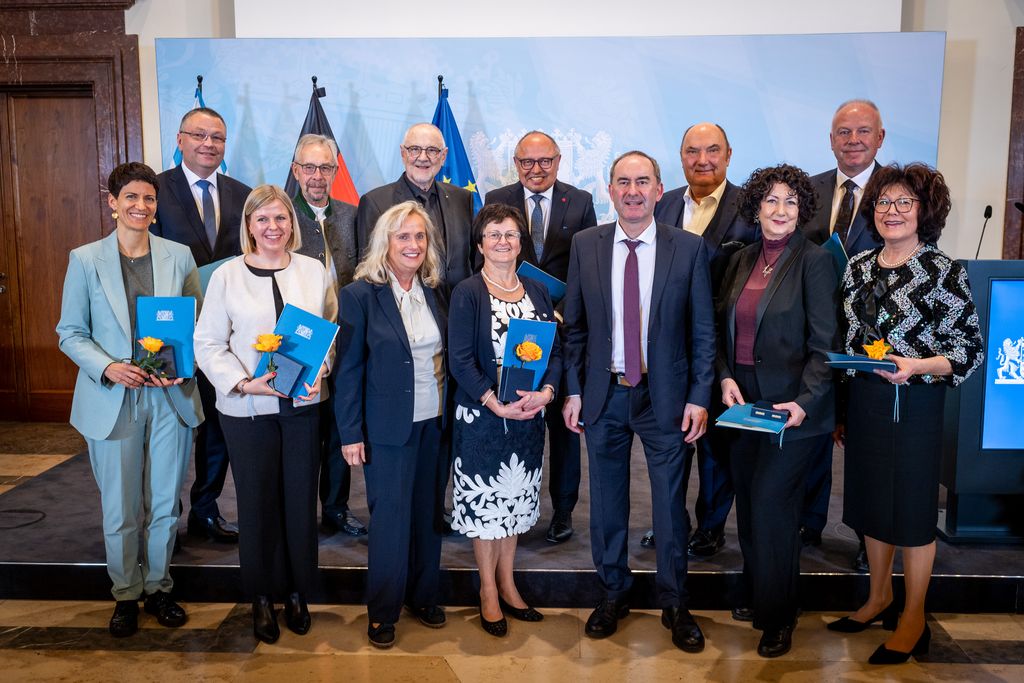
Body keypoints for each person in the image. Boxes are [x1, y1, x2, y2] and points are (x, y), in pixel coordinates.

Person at [828, 163, 983, 665]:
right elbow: (848, 338)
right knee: (873, 504)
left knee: (913, 512)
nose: (891, 212)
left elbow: (967, 350)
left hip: (916, 403)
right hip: (867, 401)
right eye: (883, 203)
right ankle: (878, 597)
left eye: (903, 203)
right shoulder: (857, 267)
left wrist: (915, 366)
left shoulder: (943, 269)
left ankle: (914, 615)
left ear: (924, 211)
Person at [562, 151, 716, 652]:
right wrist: (575, 389)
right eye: (623, 182)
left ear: (658, 189)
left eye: (642, 181)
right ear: (610, 191)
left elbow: (702, 332)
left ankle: (675, 602)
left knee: (670, 507)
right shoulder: (587, 245)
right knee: (606, 503)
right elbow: (577, 329)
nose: (632, 190)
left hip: (665, 397)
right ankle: (612, 593)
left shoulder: (688, 249)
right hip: (604, 394)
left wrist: (698, 397)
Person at [57, 161, 202, 637]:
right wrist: (108, 366)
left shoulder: (179, 256)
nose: (141, 206)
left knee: (164, 502)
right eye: (132, 198)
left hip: (168, 397)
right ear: (113, 203)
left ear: (156, 208)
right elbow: (70, 332)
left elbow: (197, 328)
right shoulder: (84, 259)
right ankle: (124, 593)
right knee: (120, 506)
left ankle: (159, 587)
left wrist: (181, 367)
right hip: (113, 395)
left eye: (149, 199)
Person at [194, 184, 336, 644]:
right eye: (263, 219)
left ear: (292, 224)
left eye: (281, 218)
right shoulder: (227, 276)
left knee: (300, 503)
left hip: (302, 407)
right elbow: (208, 342)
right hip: (246, 410)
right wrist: (242, 382)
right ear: (249, 226)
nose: (273, 227)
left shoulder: (314, 271)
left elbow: (330, 332)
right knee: (256, 505)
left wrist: (323, 367)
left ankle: (297, 592)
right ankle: (260, 596)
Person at [715, 164, 838, 657]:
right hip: (743, 406)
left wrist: (805, 404)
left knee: (772, 506)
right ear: (756, 208)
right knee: (749, 504)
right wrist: (724, 376)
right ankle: (758, 587)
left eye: (790, 201)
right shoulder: (741, 258)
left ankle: (779, 615)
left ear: (802, 209)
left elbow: (827, 345)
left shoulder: (815, 261)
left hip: (793, 412)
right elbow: (723, 330)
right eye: (770, 200)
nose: (780, 209)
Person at [334, 201, 449, 649]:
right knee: (390, 520)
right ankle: (383, 611)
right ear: (385, 242)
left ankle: (423, 596)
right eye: (403, 236)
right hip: (386, 428)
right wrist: (350, 433)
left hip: (433, 423)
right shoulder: (360, 295)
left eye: (420, 236)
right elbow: (349, 371)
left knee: (427, 517)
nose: (413, 244)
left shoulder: (437, 291)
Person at [645, 122, 759, 556]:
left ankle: (711, 526)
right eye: (692, 151)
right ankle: (671, 520)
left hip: (723, 347)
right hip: (665, 345)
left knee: (715, 447)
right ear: (681, 158)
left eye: (713, 151)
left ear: (729, 155)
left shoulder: (750, 209)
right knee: (669, 442)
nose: (702, 160)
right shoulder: (665, 203)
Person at [448, 203, 562, 636]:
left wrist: (548, 392)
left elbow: (555, 350)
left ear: (520, 243)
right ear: (480, 244)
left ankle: (509, 584)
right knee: (487, 509)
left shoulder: (536, 290)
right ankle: (487, 592)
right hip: (483, 417)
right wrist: (493, 402)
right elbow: (460, 358)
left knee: (513, 504)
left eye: (510, 234)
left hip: (528, 416)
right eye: (493, 234)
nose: (502, 241)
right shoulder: (468, 292)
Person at [484, 130, 597, 544]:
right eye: (527, 162)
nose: (536, 169)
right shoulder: (498, 196)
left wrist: (572, 312)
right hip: (515, 329)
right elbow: (487, 253)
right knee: (516, 414)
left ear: (558, 161)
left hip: (564, 330)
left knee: (565, 426)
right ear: (516, 163)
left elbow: (587, 264)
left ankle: (563, 511)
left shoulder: (580, 201)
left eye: (544, 161)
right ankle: (513, 505)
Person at [153, 106, 252, 544]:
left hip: (223, 332)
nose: (209, 144)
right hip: (167, 330)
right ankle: (160, 517)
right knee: (168, 424)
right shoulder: (154, 189)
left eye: (218, 138)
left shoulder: (242, 193)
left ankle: (205, 510)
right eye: (199, 135)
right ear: (180, 139)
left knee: (216, 424)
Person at [801, 99, 887, 564]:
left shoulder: (897, 191)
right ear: (831, 139)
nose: (852, 140)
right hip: (814, 335)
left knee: (865, 439)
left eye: (862, 131)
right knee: (814, 429)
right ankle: (808, 523)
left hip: (873, 338)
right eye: (843, 132)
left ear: (880, 138)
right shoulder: (809, 191)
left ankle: (865, 538)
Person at [289, 133, 366, 538]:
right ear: (296, 170)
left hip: (349, 334)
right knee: (304, 427)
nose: (318, 176)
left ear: (336, 171)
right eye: (310, 167)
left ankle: (336, 506)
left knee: (342, 425)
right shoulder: (281, 217)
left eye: (326, 168)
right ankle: (300, 509)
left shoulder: (353, 215)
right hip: (301, 336)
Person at [356, 122, 475, 287]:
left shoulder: (462, 198)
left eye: (432, 150)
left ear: (444, 156)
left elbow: (472, 261)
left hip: (461, 306)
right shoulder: (375, 203)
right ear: (403, 153)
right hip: (408, 308)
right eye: (415, 149)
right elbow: (370, 270)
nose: (423, 157)